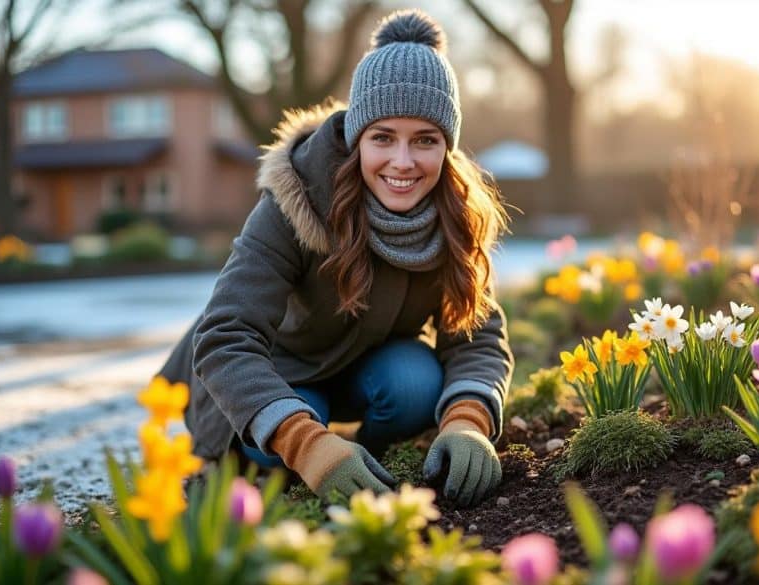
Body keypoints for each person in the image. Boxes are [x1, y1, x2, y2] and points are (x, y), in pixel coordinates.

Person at [158, 9, 513, 508]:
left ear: (447, 147)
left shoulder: (453, 214)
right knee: (290, 433)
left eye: (425, 140)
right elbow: (224, 337)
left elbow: (477, 334)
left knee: (415, 382)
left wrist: (468, 421)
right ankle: (318, 455)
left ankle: (362, 463)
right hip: (276, 375)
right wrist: (308, 445)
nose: (404, 162)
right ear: (356, 138)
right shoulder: (296, 198)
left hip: (364, 369)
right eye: (383, 137)